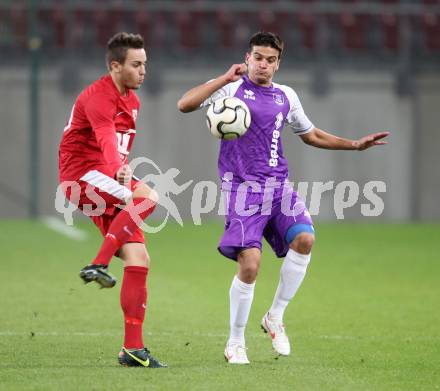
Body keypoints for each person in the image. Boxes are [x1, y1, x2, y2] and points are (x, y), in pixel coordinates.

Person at [177, 31, 389, 364]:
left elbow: (312, 134)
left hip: (278, 189)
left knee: (305, 238)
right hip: (242, 191)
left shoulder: (285, 96)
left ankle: (274, 316)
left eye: (270, 60)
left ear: (278, 63)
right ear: (247, 58)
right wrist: (222, 78)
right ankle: (235, 342)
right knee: (251, 265)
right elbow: (185, 104)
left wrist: (354, 144)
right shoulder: (230, 88)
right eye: (257, 57)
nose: (263, 64)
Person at [58, 32, 167, 368]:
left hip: (106, 175)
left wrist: (120, 168)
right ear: (115, 66)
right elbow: (106, 141)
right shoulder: (97, 97)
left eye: (144, 64)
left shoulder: (132, 100)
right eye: (136, 64)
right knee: (149, 196)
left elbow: (117, 146)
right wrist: (118, 168)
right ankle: (99, 262)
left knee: (139, 258)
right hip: (82, 176)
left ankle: (132, 350)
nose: (143, 70)